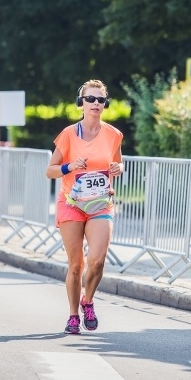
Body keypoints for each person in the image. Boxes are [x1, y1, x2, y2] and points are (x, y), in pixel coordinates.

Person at [46, 80, 124, 334]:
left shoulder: (113, 135)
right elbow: (51, 170)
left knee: (98, 261)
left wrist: (118, 168)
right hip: (72, 204)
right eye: (90, 99)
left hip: (101, 203)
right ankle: (72, 315)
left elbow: (118, 163)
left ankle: (87, 301)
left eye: (100, 100)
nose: (96, 104)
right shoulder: (69, 134)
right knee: (76, 264)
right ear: (81, 103)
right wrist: (70, 167)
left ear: (105, 104)